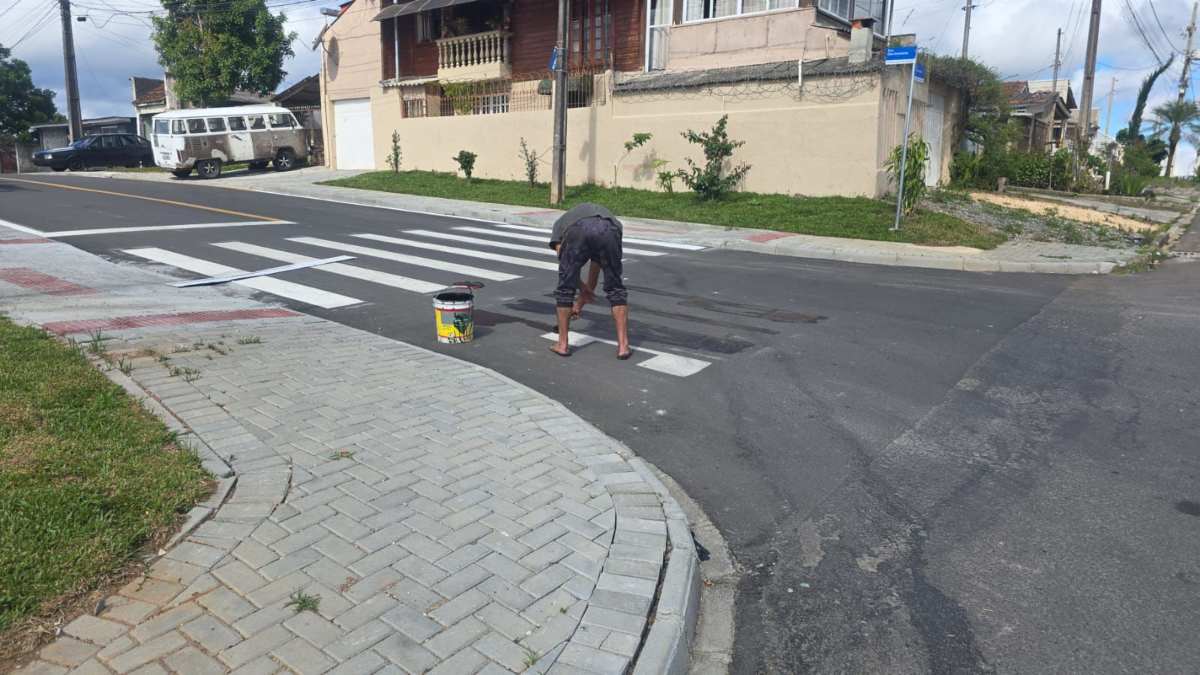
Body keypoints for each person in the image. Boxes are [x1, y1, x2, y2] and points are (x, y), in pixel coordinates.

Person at [547, 203, 632, 359]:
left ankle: (562, 344)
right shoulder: (608, 219)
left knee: (565, 289)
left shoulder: (559, 225)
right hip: (610, 230)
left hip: (578, 230)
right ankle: (623, 346)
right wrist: (580, 301)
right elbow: (597, 264)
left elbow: (566, 267)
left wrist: (579, 287)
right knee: (615, 288)